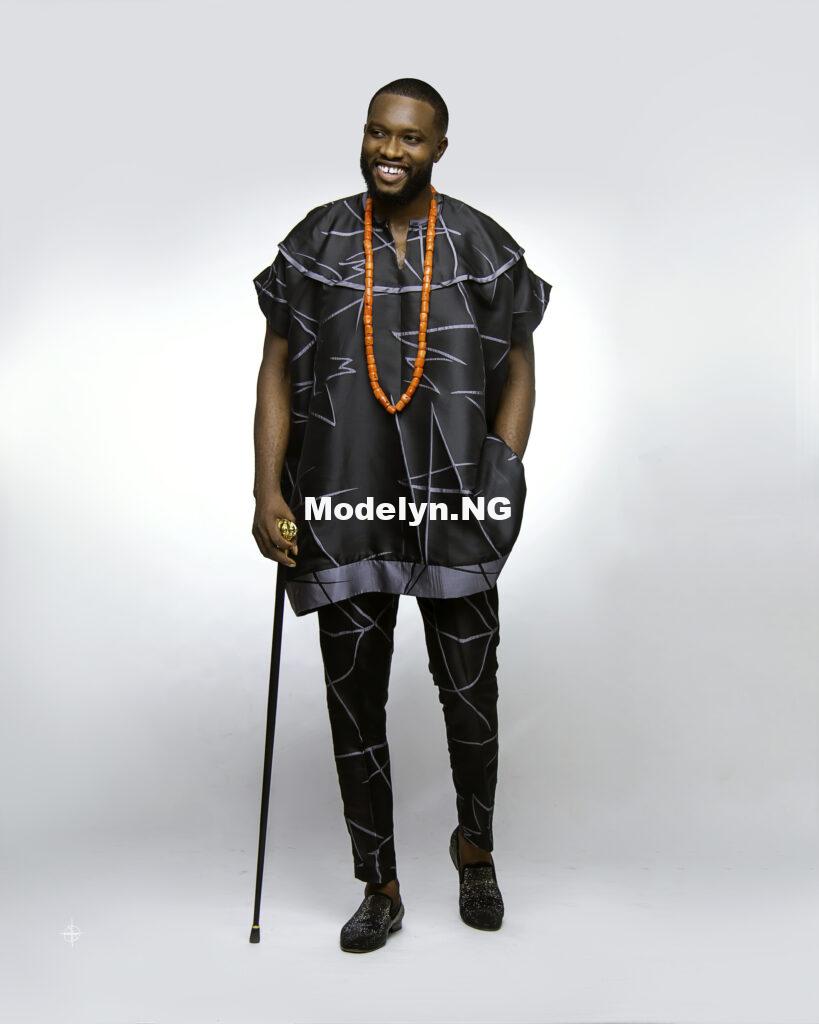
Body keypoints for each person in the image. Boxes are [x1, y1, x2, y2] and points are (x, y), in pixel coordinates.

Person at [252, 78, 551, 953]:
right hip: (340, 499)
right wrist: (268, 490)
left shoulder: (480, 244)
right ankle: (377, 883)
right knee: (353, 701)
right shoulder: (316, 240)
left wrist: (502, 467)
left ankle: (474, 850)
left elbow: (520, 361)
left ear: (438, 148)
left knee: (471, 694)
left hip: (455, 503)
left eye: (410, 138)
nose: (390, 151)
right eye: (378, 133)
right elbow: (275, 366)